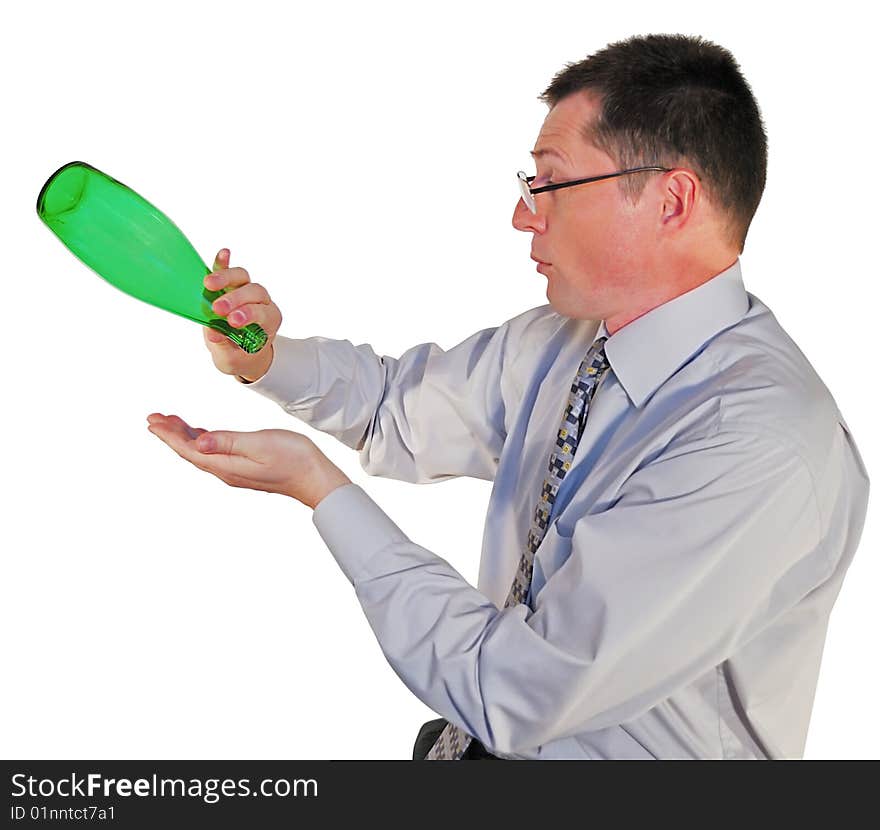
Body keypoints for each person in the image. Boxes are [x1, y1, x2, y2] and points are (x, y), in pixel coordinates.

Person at [147, 33, 870, 760]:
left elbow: (520, 690)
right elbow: (399, 406)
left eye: (549, 184)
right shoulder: (568, 342)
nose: (524, 216)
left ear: (671, 200)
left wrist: (321, 490)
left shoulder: (755, 442)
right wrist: (262, 357)